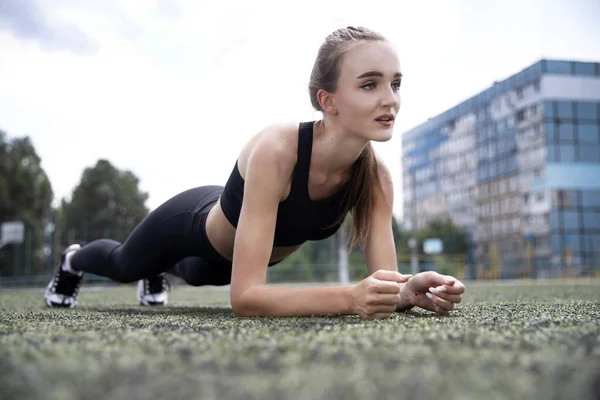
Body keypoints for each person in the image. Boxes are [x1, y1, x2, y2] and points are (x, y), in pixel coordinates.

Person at [45, 26, 465, 318]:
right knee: (124, 265)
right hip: (192, 222)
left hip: (233, 257)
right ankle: (73, 260)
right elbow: (246, 299)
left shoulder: (376, 179)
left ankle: (163, 270)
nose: (390, 99)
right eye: (370, 84)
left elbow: (384, 284)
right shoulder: (277, 150)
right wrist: (351, 297)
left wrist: (407, 292)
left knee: (193, 272)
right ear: (328, 100)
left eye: (396, 83)